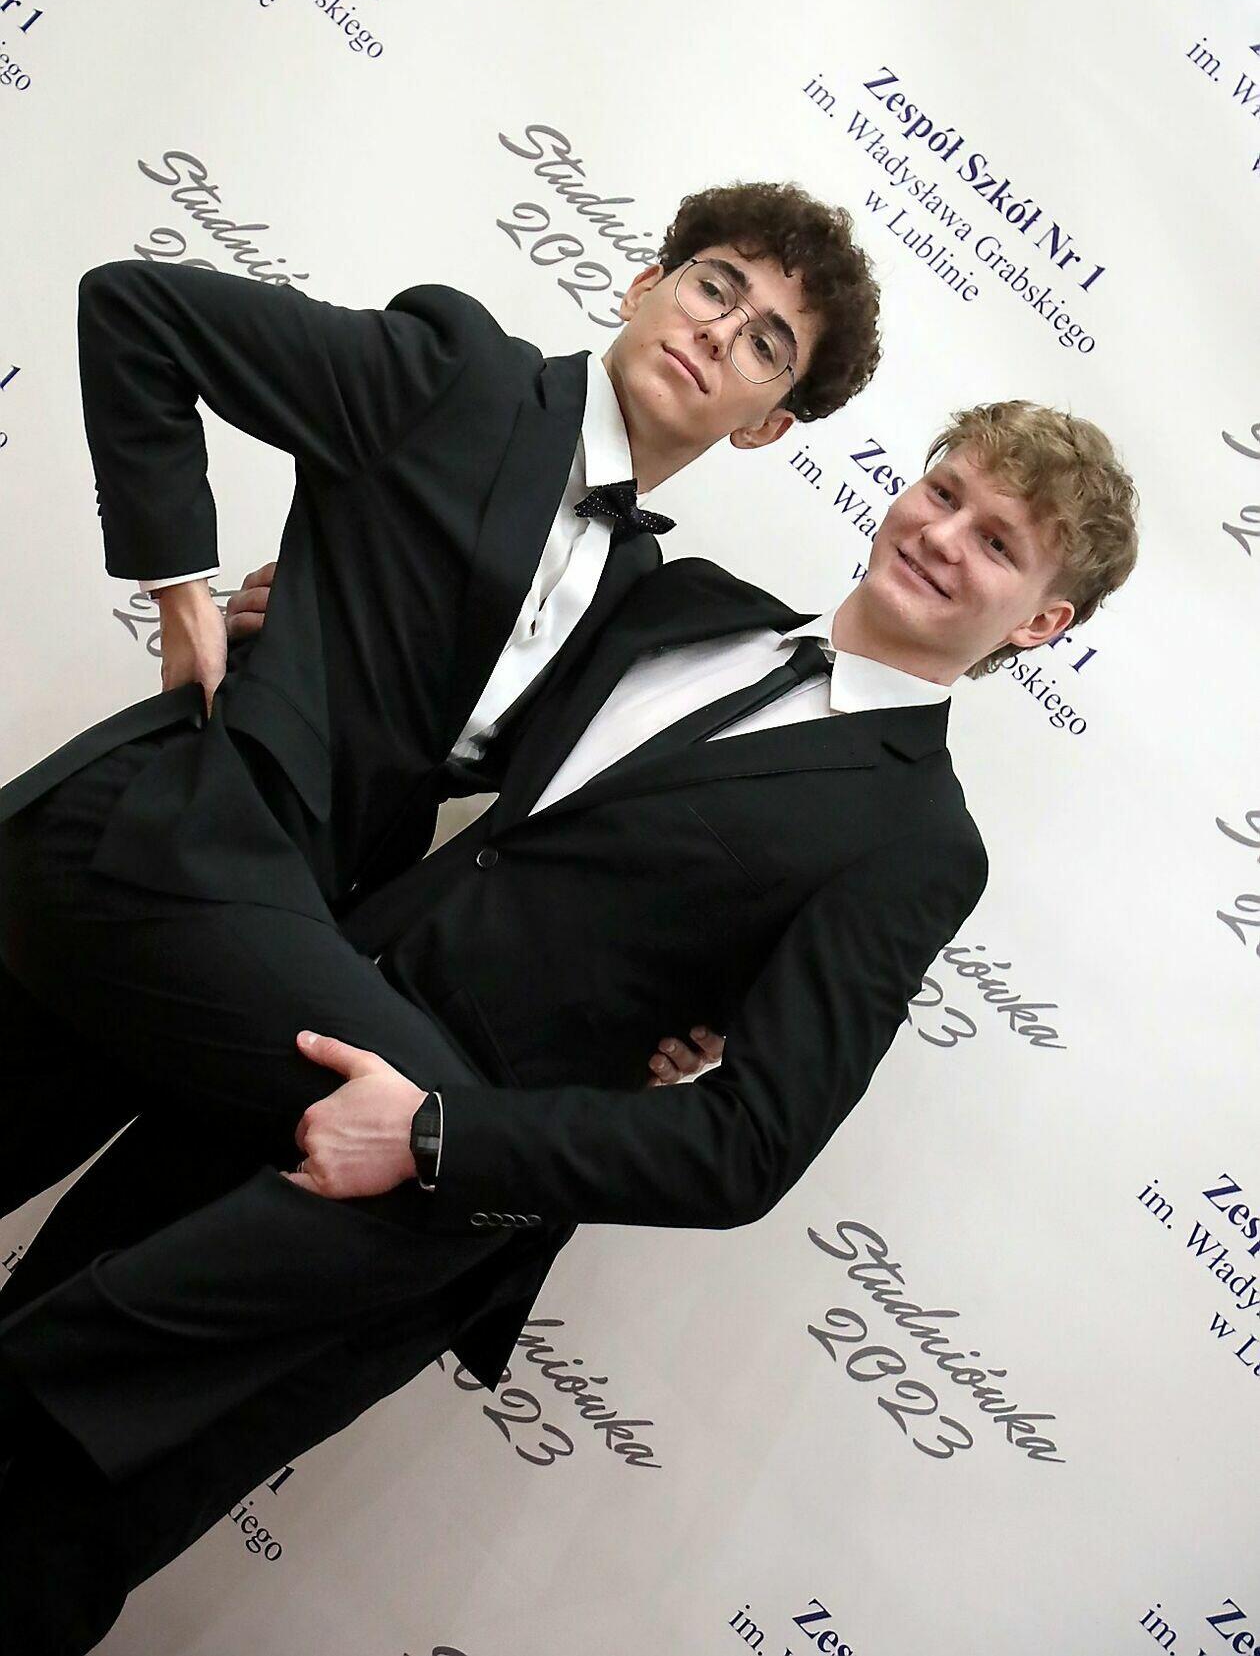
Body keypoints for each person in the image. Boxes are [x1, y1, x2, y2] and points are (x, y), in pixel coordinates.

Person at [0, 399, 1138, 1652]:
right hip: (259, 1052)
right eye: (946, 491)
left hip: (398, 1202)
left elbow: (748, 1145)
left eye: (998, 541)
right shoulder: (689, 602)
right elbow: (452, 735)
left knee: (53, 1527)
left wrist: (430, 1135)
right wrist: (311, 629)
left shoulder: (919, 841)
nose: (942, 534)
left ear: (1039, 622)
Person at [0, 181, 881, 1211]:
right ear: (646, 285)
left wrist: (676, 1015)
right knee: (458, 1154)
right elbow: (136, 311)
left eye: (767, 342)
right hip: (171, 836)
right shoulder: (464, 376)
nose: (720, 332)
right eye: (714, 287)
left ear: (766, 425)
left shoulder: (636, 597)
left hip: (288, 921)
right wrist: (184, 595)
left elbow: (593, 822)